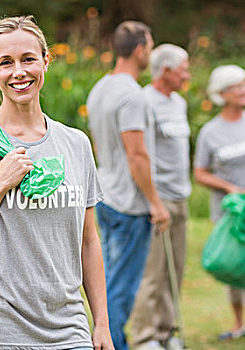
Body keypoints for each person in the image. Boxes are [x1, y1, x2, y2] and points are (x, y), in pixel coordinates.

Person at [0, 15, 113, 350]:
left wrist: (102, 324)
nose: (18, 72)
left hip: (68, 331)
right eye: (6, 62)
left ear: (46, 60)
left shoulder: (76, 144)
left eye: (28, 59)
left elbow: (88, 241)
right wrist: (0, 183)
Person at [87, 21, 170, 350]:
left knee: (106, 285)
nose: (150, 53)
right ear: (140, 50)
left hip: (105, 195)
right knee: (120, 291)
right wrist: (156, 202)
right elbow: (137, 155)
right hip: (129, 205)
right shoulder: (132, 95)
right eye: (149, 47)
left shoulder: (100, 88)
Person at [194, 65, 245, 350]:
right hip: (228, 212)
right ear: (222, 94)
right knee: (233, 266)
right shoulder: (210, 131)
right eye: (238, 86)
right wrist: (230, 188)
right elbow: (200, 172)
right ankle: (237, 324)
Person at [129, 44, 191, 350]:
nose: (188, 75)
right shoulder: (144, 101)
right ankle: (145, 336)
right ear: (165, 71)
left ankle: (167, 332)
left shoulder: (179, 102)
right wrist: (154, 200)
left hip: (181, 197)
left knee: (174, 270)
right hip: (158, 198)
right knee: (153, 272)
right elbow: (139, 153)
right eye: (184, 69)